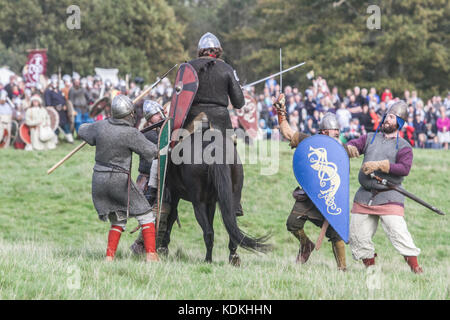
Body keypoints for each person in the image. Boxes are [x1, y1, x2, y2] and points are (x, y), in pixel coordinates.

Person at [274, 94, 360, 271]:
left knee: (336, 232)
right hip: (310, 195)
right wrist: (281, 112)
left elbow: (359, 148)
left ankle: (342, 269)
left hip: (330, 196)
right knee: (292, 224)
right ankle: (306, 245)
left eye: (337, 132)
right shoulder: (309, 142)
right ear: (323, 133)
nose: (335, 135)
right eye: (332, 132)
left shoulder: (342, 149)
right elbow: (287, 132)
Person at [78, 95, 159, 262]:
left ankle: (109, 257)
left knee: (118, 218)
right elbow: (152, 151)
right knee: (146, 214)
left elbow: (82, 130)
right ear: (129, 115)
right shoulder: (130, 133)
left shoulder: (100, 126)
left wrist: (102, 126)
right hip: (119, 180)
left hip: (98, 181)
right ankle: (151, 254)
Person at [346, 100, 423, 274]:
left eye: (391, 117)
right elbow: (355, 144)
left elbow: (404, 169)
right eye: (387, 116)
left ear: (399, 123)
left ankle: (416, 269)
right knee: (357, 235)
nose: (387, 120)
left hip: (389, 197)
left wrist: (380, 165)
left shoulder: (404, 146)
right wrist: (350, 147)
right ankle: (371, 269)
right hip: (364, 196)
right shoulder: (370, 137)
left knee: (398, 233)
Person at [130, 100, 172, 255]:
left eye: (159, 112)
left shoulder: (161, 130)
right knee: (155, 214)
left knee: (163, 213)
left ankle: (157, 247)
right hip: (148, 181)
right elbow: (162, 146)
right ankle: (141, 246)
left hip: (160, 180)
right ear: (149, 119)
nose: (159, 115)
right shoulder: (149, 134)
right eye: (155, 114)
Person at [44, 78, 74, 143]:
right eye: (53, 83)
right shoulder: (48, 92)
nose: (55, 84)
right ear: (51, 84)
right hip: (55, 112)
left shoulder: (60, 92)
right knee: (55, 126)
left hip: (62, 112)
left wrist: (65, 106)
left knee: (65, 125)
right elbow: (48, 104)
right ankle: (55, 140)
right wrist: (55, 108)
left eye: (56, 83)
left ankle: (70, 139)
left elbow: (64, 100)